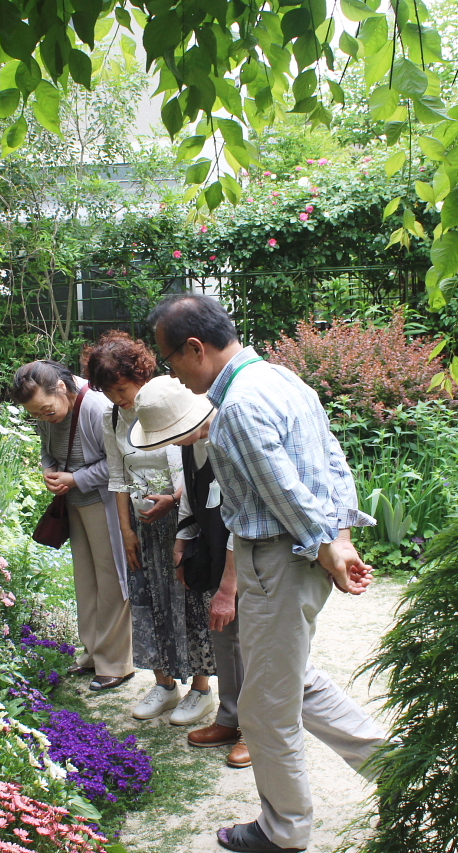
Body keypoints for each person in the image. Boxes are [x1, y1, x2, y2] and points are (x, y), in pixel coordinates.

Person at [147, 294, 389, 853]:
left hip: (278, 560)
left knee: (264, 710)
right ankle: (396, 765)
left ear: (195, 348)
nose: (174, 375)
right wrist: (341, 535)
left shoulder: (236, 410)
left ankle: (283, 832)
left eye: (171, 361)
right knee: (290, 681)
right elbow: (334, 460)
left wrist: (328, 544)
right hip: (295, 556)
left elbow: (283, 489)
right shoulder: (284, 379)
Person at [85, 332, 217, 726]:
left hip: (182, 521)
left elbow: (193, 464)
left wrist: (173, 502)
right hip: (144, 527)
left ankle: (200, 689)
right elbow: (118, 474)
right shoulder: (113, 417)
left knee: (189, 600)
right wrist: (126, 530)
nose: (116, 399)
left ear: (139, 374)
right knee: (149, 601)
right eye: (108, 392)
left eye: (121, 389)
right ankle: (163, 683)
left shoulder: (172, 402)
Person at [130, 375, 249, 770]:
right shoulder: (190, 442)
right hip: (213, 547)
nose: (168, 442)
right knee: (224, 639)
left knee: (250, 641)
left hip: (249, 552)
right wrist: (181, 546)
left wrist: (228, 587)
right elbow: (192, 496)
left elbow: (242, 519)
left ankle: (256, 730)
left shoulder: (229, 440)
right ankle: (230, 719)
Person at [9, 359, 133, 691]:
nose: (42, 418)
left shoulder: (96, 406)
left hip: (104, 503)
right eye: (35, 414)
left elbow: (118, 464)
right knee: (86, 580)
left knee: (111, 582)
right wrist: (49, 470)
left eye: (46, 411)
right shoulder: (46, 410)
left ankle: (117, 663)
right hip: (75, 502)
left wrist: (75, 478)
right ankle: (92, 655)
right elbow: (47, 450)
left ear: (61, 388)